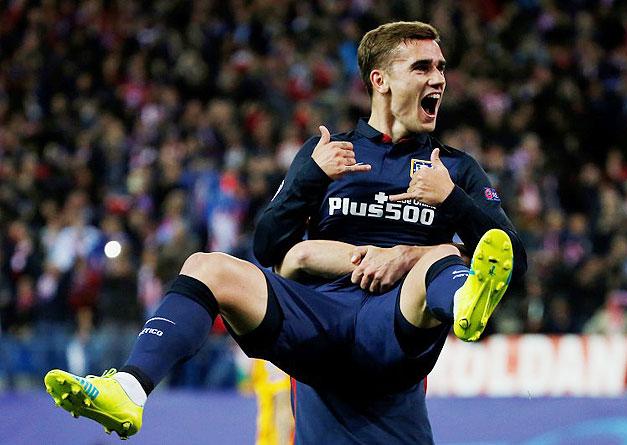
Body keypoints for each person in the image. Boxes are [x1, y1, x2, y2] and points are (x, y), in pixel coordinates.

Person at [45, 21, 526, 443]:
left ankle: (465, 305)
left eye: (441, 68)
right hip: (317, 319)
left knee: (440, 261)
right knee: (204, 266)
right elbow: (268, 246)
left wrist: (450, 206)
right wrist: (310, 179)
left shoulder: (453, 169)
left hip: (392, 324)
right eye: (423, 67)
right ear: (380, 80)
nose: (439, 79)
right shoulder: (325, 153)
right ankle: (128, 389)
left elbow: (512, 261)